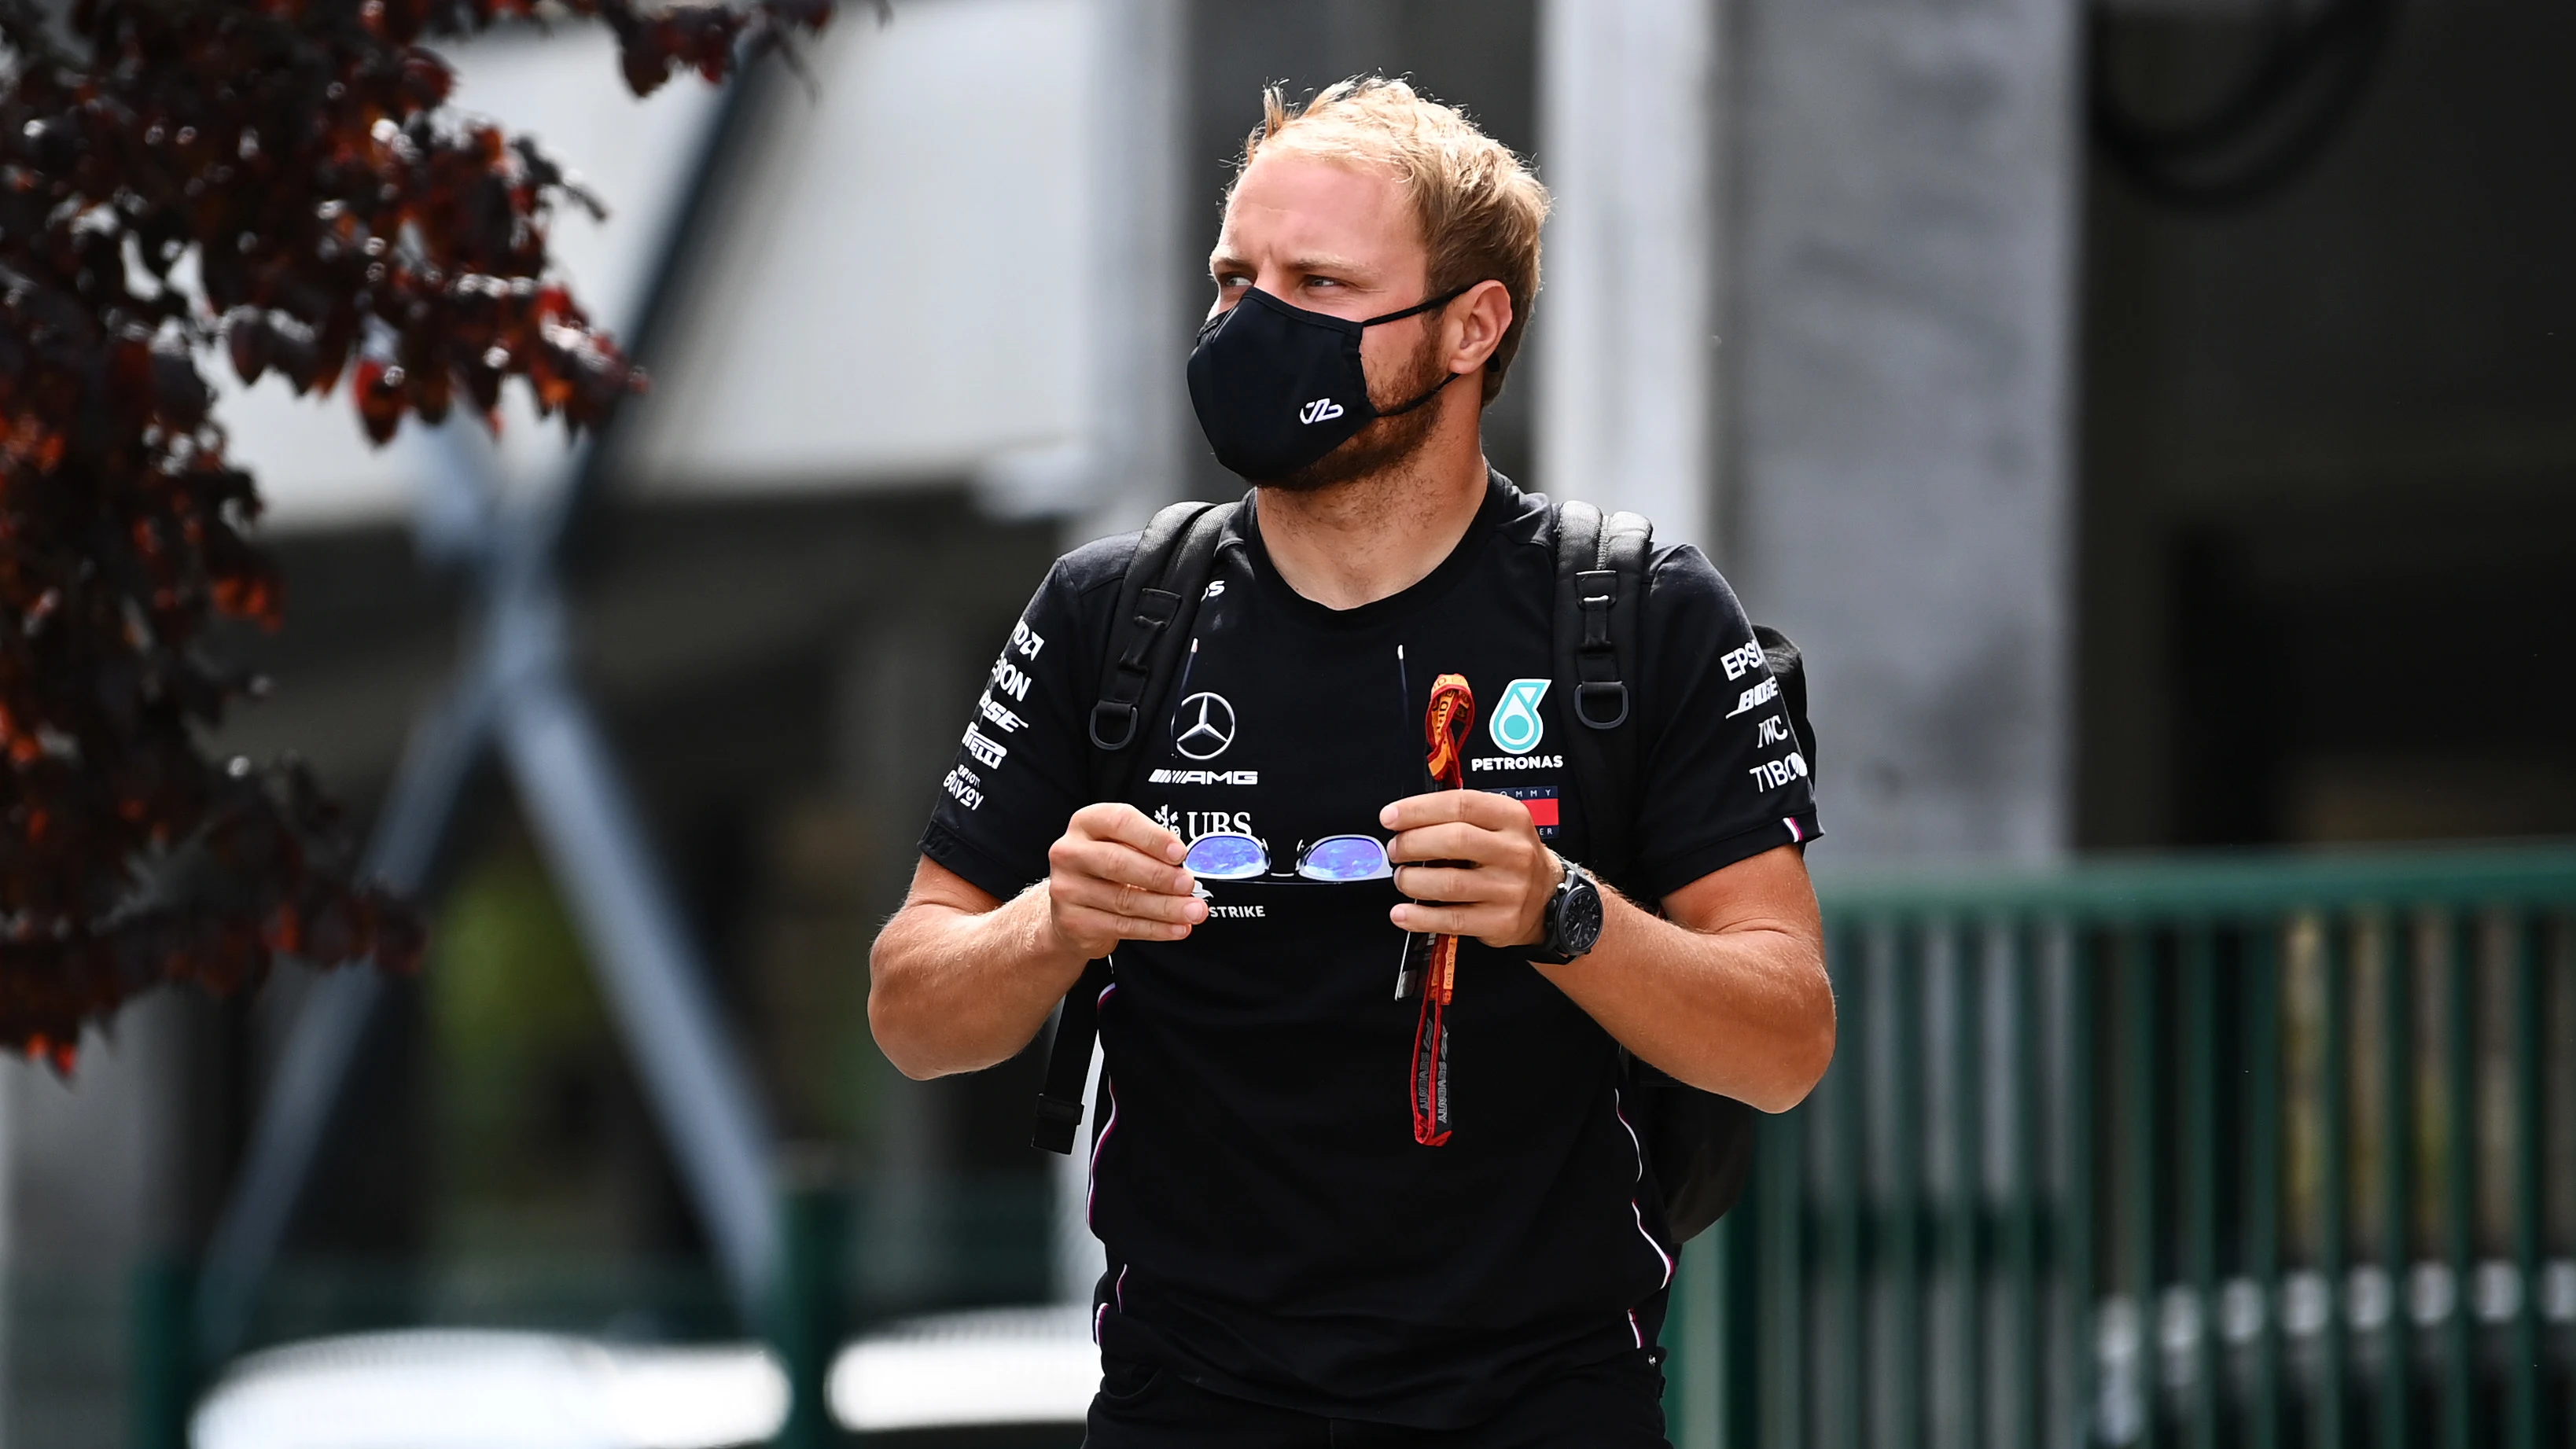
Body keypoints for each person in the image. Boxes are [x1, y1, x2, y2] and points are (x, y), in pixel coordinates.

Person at [868, 77, 1834, 1448]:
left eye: (1317, 282)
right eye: (1233, 278)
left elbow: (1787, 1034)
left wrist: (1563, 911)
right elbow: (911, 1008)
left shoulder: (1637, 611)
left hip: (1545, 1406)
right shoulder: (1111, 616)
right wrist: (1050, 921)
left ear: (1469, 327)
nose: (1253, 321)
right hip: (1187, 1404)